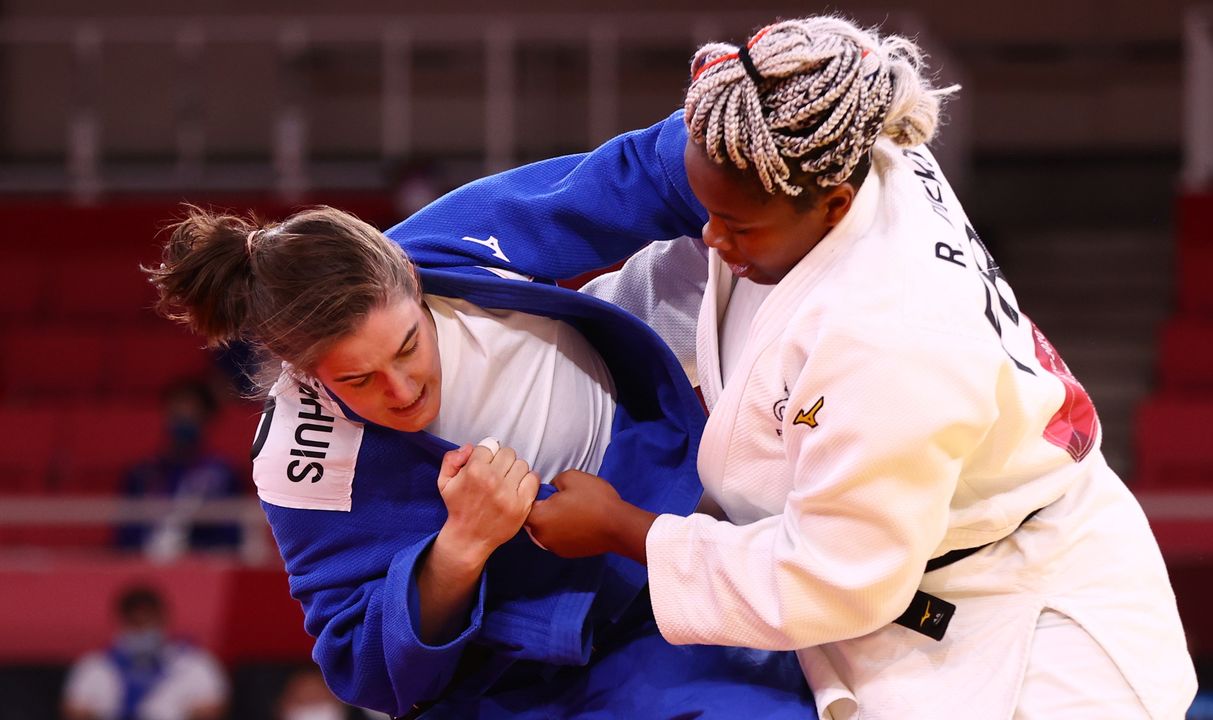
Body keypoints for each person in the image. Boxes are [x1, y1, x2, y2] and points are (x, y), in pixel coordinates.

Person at [396, 15, 1199, 719]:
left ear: (834, 207)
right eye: (706, 210)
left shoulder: (889, 334)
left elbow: (833, 578)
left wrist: (624, 530)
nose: (713, 239)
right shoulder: (825, 122)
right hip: (918, 574)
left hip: (1026, 625)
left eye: (738, 226)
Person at [145, 203, 813, 719]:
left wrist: (749, 127)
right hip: (510, 684)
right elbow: (365, 667)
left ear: (410, 280)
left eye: (407, 347)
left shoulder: (446, 246)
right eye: (358, 380)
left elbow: (631, 174)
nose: (402, 391)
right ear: (308, 374)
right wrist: (459, 548)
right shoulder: (305, 459)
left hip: (653, 577)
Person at [117, 378, 242, 557]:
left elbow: (230, 537)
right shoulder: (142, 473)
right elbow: (124, 535)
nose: (183, 421)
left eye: (191, 415)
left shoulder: (223, 474)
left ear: (206, 419)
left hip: (200, 566)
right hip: (143, 566)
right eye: (177, 414)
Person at [62, 585, 227, 720]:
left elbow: (211, 712)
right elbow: (74, 712)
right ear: (121, 623)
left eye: (149, 622)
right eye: (135, 623)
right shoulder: (95, 665)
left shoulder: (194, 663)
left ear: (164, 620)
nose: (142, 630)